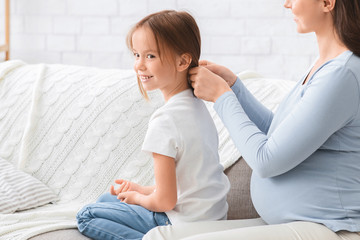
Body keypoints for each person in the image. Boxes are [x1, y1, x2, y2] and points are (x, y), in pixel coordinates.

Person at [144, 0, 360, 239]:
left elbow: (266, 160)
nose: (287, 4)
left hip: (331, 229)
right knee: (159, 236)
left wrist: (222, 96)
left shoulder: (342, 74)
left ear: (327, 3)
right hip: (295, 223)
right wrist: (235, 88)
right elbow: (277, 137)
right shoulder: (326, 66)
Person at [76, 10, 230, 240]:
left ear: (182, 61)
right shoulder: (199, 107)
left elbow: (165, 201)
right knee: (107, 200)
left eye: (150, 56)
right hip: (209, 218)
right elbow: (188, 187)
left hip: (179, 223)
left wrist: (139, 199)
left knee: (86, 214)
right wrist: (139, 190)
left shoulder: (165, 120)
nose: (139, 65)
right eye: (136, 54)